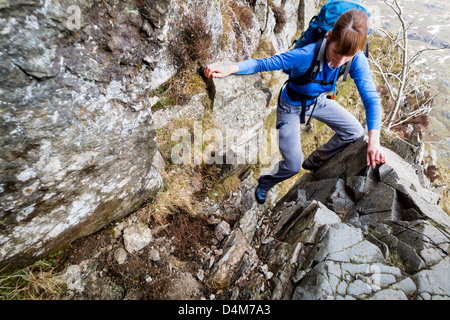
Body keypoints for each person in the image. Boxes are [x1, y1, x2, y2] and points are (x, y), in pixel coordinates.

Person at [204, 9, 387, 205]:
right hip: (291, 105)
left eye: (347, 57)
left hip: (319, 101)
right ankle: (266, 182)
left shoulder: (357, 59)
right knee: (292, 166)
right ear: (330, 36)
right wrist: (231, 67)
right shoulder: (306, 55)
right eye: (336, 52)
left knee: (355, 131)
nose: (338, 62)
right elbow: (264, 63)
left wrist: (374, 142)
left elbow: (371, 98)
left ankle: (315, 161)